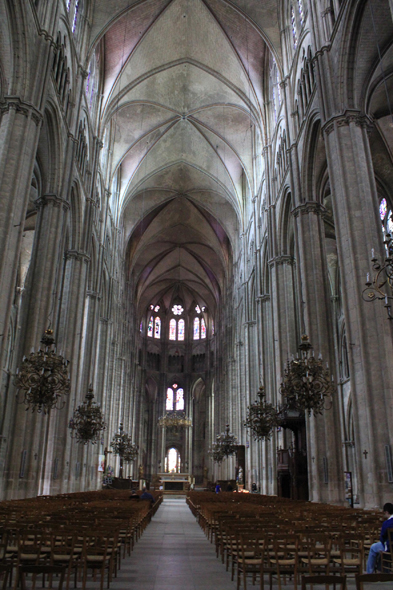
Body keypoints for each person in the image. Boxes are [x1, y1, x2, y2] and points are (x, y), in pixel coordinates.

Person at [366, 502, 393, 573]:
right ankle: (381, 567)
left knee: (373, 547)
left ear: (387, 512)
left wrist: (382, 541)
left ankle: (369, 572)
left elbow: (382, 537)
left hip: (390, 546)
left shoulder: (387, 523)